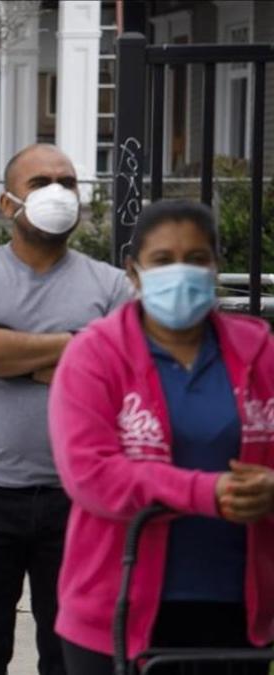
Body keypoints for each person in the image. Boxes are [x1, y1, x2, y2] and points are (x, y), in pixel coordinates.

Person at [48, 200, 274, 674]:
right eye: (163, 260)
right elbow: (90, 474)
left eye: (196, 260)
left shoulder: (259, 349)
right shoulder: (95, 354)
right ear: (133, 272)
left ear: (215, 266)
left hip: (239, 611)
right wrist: (204, 491)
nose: (181, 272)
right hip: (115, 611)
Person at [0, 143, 134, 675]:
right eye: (40, 182)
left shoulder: (110, 283)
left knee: (71, 655)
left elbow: (121, 371)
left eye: (67, 182)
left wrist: (10, 350)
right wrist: (78, 344)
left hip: (80, 498)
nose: (57, 193)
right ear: (7, 204)